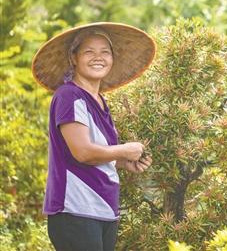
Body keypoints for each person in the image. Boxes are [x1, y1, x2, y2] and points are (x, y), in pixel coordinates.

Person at [32, 22, 156, 250]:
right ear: (74, 57)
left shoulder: (98, 101)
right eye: (89, 51)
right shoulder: (70, 95)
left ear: (112, 59)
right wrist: (125, 149)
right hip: (76, 209)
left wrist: (124, 162)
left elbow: (96, 153)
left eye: (104, 52)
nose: (97, 57)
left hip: (102, 209)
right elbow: (83, 152)